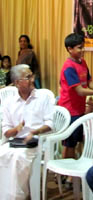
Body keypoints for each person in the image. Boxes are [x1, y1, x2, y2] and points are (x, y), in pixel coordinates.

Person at [58, 33, 93, 185]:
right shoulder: (68, 67)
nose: (83, 50)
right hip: (69, 110)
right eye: (79, 47)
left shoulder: (83, 62)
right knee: (69, 144)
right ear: (69, 49)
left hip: (80, 109)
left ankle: (68, 175)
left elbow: (89, 83)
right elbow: (80, 91)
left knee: (74, 141)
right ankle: (65, 175)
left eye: (83, 47)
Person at [0, 64, 54, 199]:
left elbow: (50, 123)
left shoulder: (43, 97)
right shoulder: (9, 102)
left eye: (32, 75)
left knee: (18, 158)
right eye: (28, 77)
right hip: (15, 142)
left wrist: (35, 132)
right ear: (17, 83)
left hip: (36, 141)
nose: (32, 79)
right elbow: (6, 131)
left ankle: (15, 197)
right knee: (2, 155)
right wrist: (16, 129)